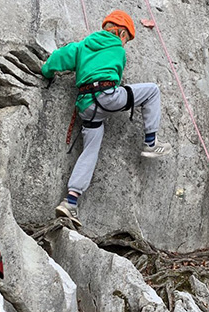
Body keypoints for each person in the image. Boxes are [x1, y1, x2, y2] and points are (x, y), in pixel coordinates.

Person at [42, 10, 172, 227]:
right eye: (126, 39)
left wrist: (46, 71)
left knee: (90, 150)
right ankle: (151, 142)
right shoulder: (117, 49)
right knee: (152, 91)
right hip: (109, 97)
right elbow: (116, 73)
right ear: (120, 32)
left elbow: (57, 58)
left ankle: (70, 201)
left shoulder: (82, 46)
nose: (125, 44)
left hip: (87, 106)